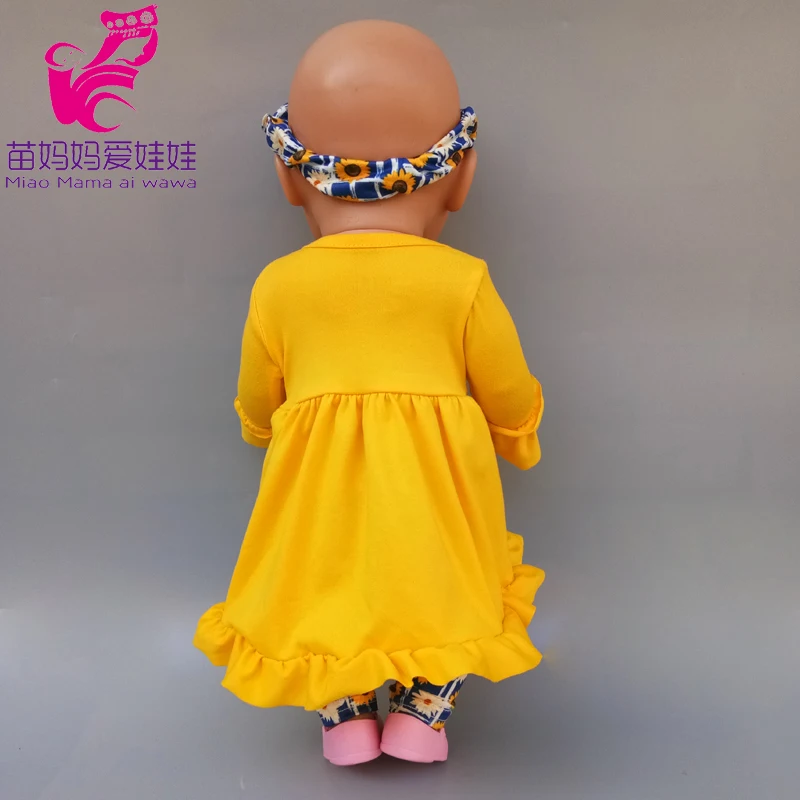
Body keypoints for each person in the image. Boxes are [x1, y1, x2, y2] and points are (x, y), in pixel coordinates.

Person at [194, 19, 545, 766]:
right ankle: (422, 715)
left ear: (287, 179)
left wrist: (263, 431)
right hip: (437, 489)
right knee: (450, 591)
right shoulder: (462, 281)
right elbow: (506, 383)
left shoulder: (278, 286)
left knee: (318, 593)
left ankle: (345, 719)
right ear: (463, 176)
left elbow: (257, 393)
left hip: (317, 489)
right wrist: (517, 432)